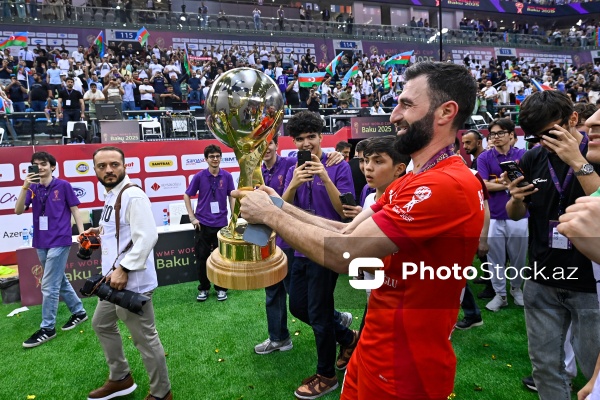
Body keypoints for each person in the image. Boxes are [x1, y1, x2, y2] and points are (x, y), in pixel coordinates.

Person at [232, 62, 484, 399]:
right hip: (375, 345)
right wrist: (278, 205)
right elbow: (347, 230)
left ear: (446, 112)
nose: (394, 115)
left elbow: (346, 253)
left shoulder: (445, 184)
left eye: (406, 104)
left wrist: (270, 216)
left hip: (405, 364)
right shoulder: (415, 179)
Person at [505, 90, 600, 399]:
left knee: (593, 370)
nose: (543, 142)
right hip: (542, 275)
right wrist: (516, 199)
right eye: (535, 137)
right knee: (545, 367)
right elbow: (516, 213)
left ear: (573, 118)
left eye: (549, 133)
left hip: (589, 282)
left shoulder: (594, 153)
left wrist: (577, 162)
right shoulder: (533, 158)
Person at [276, 110, 357, 398]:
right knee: (298, 307)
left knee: (319, 314)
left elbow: (343, 212)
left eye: (311, 136)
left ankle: (326, 376)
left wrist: (325, 176)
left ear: (321, 136)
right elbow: (282, 209)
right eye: (300, 139)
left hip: (328, 248)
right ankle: (348, 337)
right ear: (294, 142)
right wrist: (293, 184)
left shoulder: (337, 165)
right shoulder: (291, 168)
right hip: (299, 248)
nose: (306, 143)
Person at [85, 146, 172, 400]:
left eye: (114, 164)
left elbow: (148, 236)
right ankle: (121, 378)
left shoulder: (133, 195)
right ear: (95, 170)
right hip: (111, 281)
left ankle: (162, 393)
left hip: (131, 283)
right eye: (102, 166)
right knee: (101, 324)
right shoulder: (112, 194)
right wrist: (99, 232)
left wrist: (124, 268)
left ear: (125, 166)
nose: (109, 170)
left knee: (145, 339)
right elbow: (122, 230)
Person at [254, 135, 346, 355]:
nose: (265, 149)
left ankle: (335, 325)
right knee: (275, 290)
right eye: (260, 146)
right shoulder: (255, 170)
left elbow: (315, 157)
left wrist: (337, 154)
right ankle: (279, 337)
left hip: (292, 240)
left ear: (278, 145)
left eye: (269, 144)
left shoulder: (291, 163)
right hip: (267, 236)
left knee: (302, 298)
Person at [14, 151, 88, 348]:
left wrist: (82, 235)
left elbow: (75, 210)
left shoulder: (63, 185)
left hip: (60, 240)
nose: (39, 167)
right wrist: (25, 186)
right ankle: (79, 312)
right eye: (35, 164)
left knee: (48, 285)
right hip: (41, 241)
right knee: (58, 280)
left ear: (52, 167)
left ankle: (47, 328)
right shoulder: (33, 188)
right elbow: (18, 210)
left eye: (43, 163)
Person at [477, 118, 527, 311]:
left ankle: (516, 289)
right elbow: (483, 185)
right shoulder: (484, 157)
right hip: (494, 215)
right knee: (495, 258)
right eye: (492, 134)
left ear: (511, 135)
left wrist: (499, 184)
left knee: (518, 257)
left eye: (500, 133)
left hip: (520, 214)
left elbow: (527, 182)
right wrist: (508, 184)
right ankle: (500, 294)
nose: (495, 137)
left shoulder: (523, 155)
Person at [183, 144, 235, 302]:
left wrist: (234, 217)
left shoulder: (227, 176)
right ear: (206, 159)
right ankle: (204, 288)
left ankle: (221, 288)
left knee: (222, 259)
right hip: (203, 224)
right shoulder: (199, 176)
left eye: (218, 156)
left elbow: (231, 196)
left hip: (222, 224)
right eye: (212, 156)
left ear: (221, 158)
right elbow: (187, 195)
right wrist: (192, 217)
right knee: (202, 258)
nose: (215, 159)